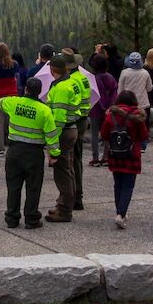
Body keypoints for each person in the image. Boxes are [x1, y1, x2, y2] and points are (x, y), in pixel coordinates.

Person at [0, 76, 55, 229]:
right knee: (33, 186)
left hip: (14, 151)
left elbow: (1, 102)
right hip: (34, 153)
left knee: (13, 186)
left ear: (26, 89)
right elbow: (51, 136)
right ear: (40, 92)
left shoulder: (14, 103)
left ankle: (12, 218)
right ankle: (31, 218)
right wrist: (54, 153)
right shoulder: (45, 111)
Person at [45, 53, 90, 222]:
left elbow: (58, 119)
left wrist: (53, 146)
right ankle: (64, 203)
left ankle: (65, 210)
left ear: (52, 69)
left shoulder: (62, 88)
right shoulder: (70, 82)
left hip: (63, 131)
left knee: (62, 171)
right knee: (68, 168)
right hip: (72, 128)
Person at [102, 91, 149, 229]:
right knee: (128, 186)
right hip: (131, 155)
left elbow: (104, 134)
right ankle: (121, 214)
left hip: (115, 154)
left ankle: (119, 212)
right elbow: (144, 135)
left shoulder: (111, 115)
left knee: (118, 184)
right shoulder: (137, 116)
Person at [0, 42, 26, 153]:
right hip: (12, 95)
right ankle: (13, 145)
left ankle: (0, 148)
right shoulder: (15, 64)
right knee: (12, 121)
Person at [87, 53, 117, 166]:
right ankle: (106, 157)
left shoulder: (91, 78)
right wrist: (110, 106)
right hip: (108, 110)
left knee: (94, 134)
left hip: (94, 108)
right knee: (107, 133)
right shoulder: (110, 78)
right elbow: (114, 94)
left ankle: (95, 158)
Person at [116, 52, 153, 127]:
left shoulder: (124, 73)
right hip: (143, 104)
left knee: (128, 126)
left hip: (127, 104)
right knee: (144, 126)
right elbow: (149, 88)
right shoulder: (145, 73)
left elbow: (120, 90)